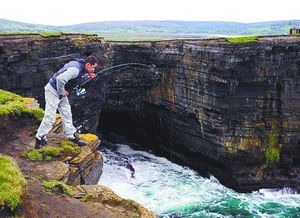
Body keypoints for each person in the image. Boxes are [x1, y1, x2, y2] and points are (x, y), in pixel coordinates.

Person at [35, 56, 98, 149]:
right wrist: (61, 92)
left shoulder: (79, 67)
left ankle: (71, 136)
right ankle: (39, 138)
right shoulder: (75, 70)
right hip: (53, 91)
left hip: (61, 93)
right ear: (88, 64)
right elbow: (60, 79)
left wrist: (88, 76)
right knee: (50, 116)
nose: (94, 69)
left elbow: (76, 79)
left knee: (67, 113)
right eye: (93, 67)